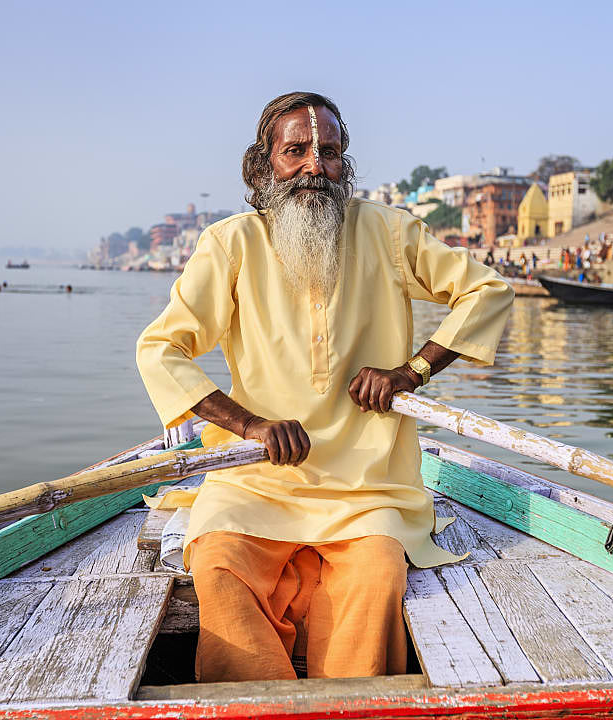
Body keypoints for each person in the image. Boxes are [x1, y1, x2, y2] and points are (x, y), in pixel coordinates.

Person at [136, 92, 513, 684]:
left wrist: (411, 371)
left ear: (345, 163)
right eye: (297, 150)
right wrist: (249, 425)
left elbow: (487, 290)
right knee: (218, 565)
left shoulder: (389, 232)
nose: (315, 164)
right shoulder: (230, 243)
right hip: (255, 478)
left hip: (367, 487)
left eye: (329, 151)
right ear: (265, 166)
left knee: (375, 578)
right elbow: (161, 349)